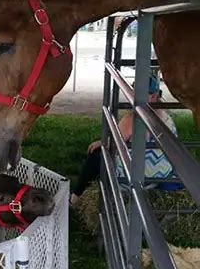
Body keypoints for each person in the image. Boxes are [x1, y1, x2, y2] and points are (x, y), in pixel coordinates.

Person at [70, 74, 177, 206]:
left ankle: (75, 197)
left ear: (154, 96)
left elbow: (113, 141)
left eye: (137, 93)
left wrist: (100, 143)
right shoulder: (166, 116)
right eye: (132, 92)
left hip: (136, 176)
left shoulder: (135, 117)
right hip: (162, 175)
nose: (132, 96)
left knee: (96, 154)